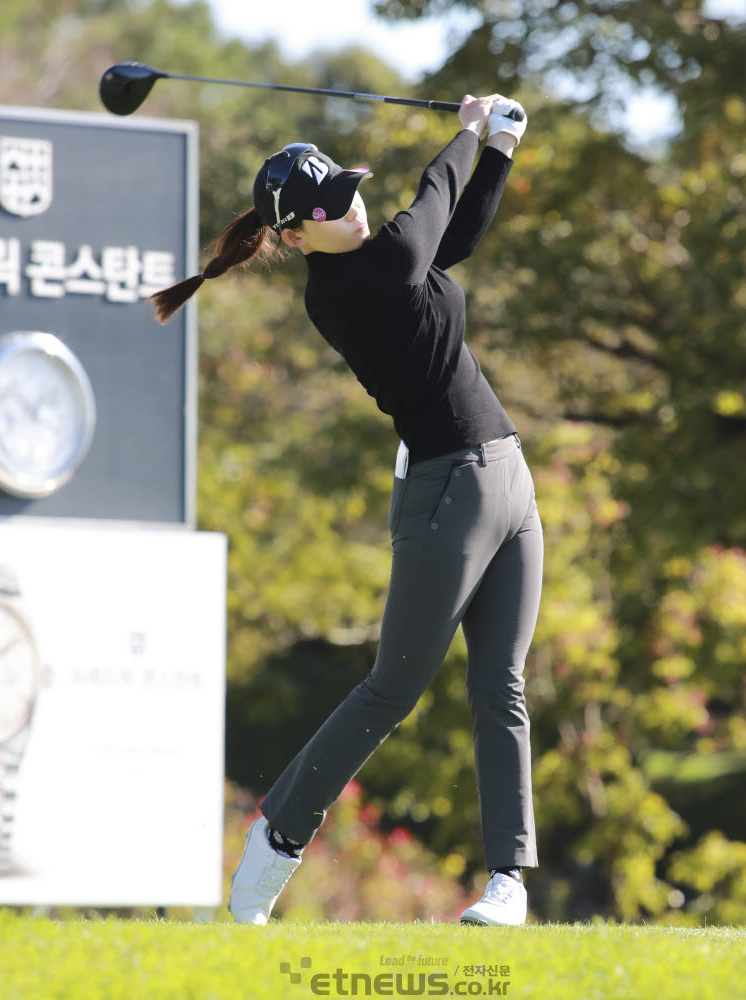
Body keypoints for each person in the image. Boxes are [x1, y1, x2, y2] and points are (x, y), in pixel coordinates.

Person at [151, 94, 543, 927]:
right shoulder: (349, 287)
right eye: (327, 208)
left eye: (346, 188)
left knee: (500, 685)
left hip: (510, 478)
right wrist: (471, 127)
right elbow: (431, 207)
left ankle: (508, 880)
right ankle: (273, 849)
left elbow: (457, 235)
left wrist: (501, 151)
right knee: (390, 691)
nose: (348, 204)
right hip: (449, 490)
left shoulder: (389, 257)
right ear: (295, 239)